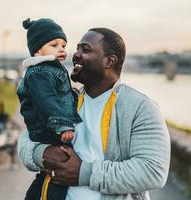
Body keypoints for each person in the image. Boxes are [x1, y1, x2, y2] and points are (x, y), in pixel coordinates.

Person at [18, 27, 171, 200]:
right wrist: (42, 153)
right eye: (77, 48)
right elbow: (25, 140)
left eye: (85, 49)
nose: (75, 54)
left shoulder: (140, 107)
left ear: (109, 61)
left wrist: (84, 173)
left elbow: (153, 171)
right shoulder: (65, 100)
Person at [17, 18, 82, 200]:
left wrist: (73, 94)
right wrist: (63, 125)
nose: (61, 49)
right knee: (61, 172)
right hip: (49, 130)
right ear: (38, 50)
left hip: (50, 128)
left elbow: (60, 96)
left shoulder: (51, 69)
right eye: (54, 45)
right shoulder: (40, 72)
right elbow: (47, 101)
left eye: (63, 44)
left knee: (50, 173)